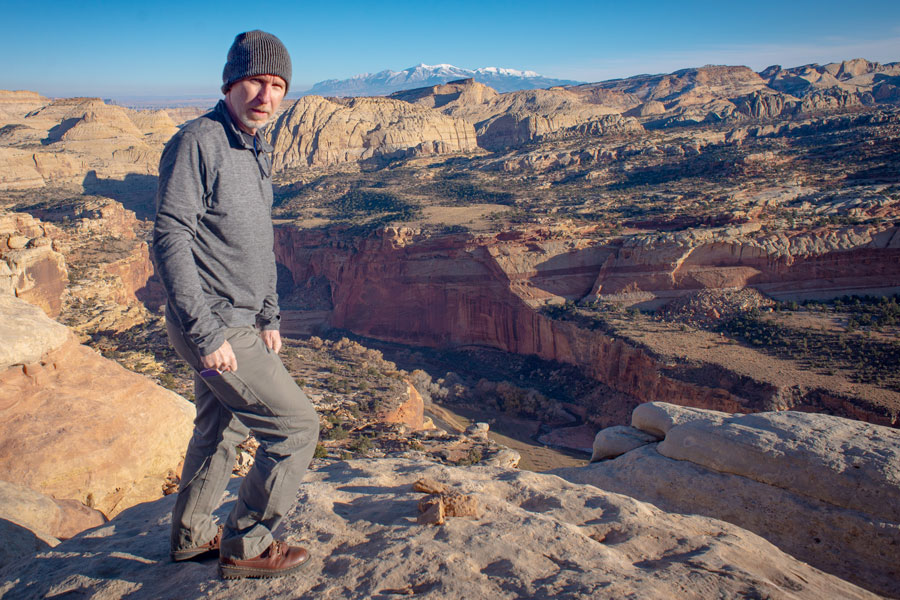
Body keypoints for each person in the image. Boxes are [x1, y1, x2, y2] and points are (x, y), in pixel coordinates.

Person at [152, 30, 319, 580]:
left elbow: (256, 241)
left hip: (241, 318)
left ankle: (193, 538)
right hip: (213, 321)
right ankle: (246, 546)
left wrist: (268, 314)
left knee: (219, 431)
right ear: (229, 84)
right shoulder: (199, 140)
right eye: (254, 82)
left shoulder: (254, 145)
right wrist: (207, 332)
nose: (265, 95)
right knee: (295, 429)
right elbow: (170, 236)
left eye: (277, 85)